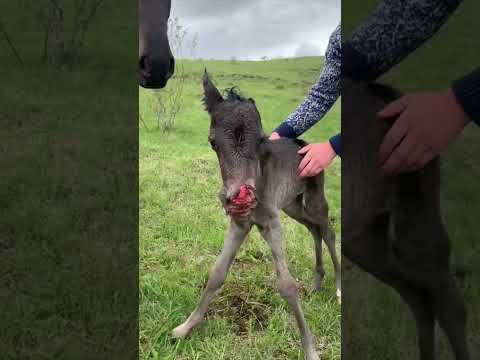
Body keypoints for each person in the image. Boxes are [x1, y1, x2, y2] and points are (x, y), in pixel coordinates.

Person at [272, 0, 479, 177]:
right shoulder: (340, 35)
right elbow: (322, 95)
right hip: (391, 151)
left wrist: (459, 103)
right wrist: (279, 135)